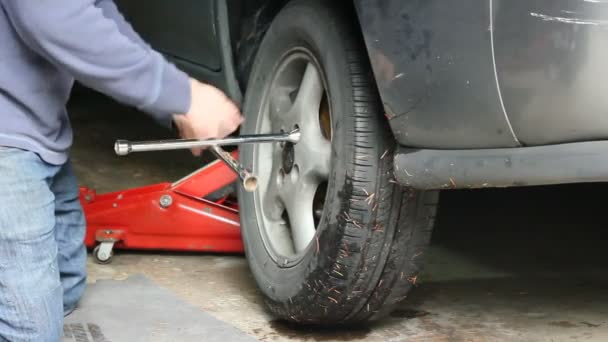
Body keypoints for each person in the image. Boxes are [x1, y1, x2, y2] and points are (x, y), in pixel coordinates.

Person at [0, 0, 243, 340]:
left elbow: (99, 14)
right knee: (30, 330)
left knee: (65, 286)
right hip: (8, 143)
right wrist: (182, 95)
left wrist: (174, 106)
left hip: (38, 131)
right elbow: (55, 17)